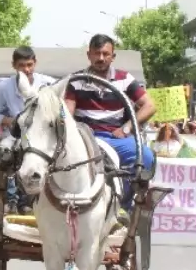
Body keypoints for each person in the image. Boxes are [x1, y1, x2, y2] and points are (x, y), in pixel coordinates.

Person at [64, 34, 156, 209]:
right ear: (88, 54)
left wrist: (127, 127)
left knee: (146, 157)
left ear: (113, 56)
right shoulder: (76, 80)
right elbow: (68, 112)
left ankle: (123, 206)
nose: (100, 58)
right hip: (86, 139)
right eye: (96, 53)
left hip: (116, 138)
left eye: (106, 54)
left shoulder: (124, 78)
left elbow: (149, 106)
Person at [0, 46, 56, 210]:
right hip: (14, 134)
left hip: (42, 134)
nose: (26, 69)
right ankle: (12, 198)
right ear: (14, 65)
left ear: (35, 63)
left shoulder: (48, 84)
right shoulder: (4, 87)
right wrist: (11, 120)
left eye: (30, 65)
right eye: (22, 65)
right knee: (5, 154)